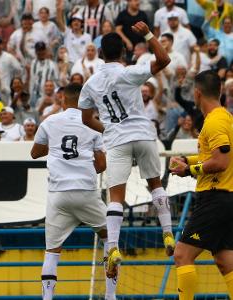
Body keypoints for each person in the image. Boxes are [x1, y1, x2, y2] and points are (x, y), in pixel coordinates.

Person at [78, 23, 174, 297]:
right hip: (143, 135)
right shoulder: (130, 72)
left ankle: (113, 248)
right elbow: (164, 60)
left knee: (116, 197)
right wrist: (147, 34)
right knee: (155, 184)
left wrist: (106, 128)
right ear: (123, 51)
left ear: (98, 53)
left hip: (117, 139)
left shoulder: (91, 84)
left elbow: (86, 118)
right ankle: (167, 232)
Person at [31, 83, 111, 300]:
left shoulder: (50, 122)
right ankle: (111, 296)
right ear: (85, 100)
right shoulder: (92, 125)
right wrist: (83, 171)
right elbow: (102, 164)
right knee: (110, 238)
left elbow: (35, 153)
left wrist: (55, 146)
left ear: (63, 100)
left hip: (59, 193)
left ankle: (47, 298)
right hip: (85, 190)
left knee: (52, 251)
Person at [169, 71, 233, 300]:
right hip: (225, 198)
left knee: (182, 254)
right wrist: (188, 161)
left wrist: (188, 170)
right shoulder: (223, 117)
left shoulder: (214, 121)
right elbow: (213, 156)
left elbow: (221, 161)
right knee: (226, 261)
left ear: (197, 93)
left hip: (214, 198)